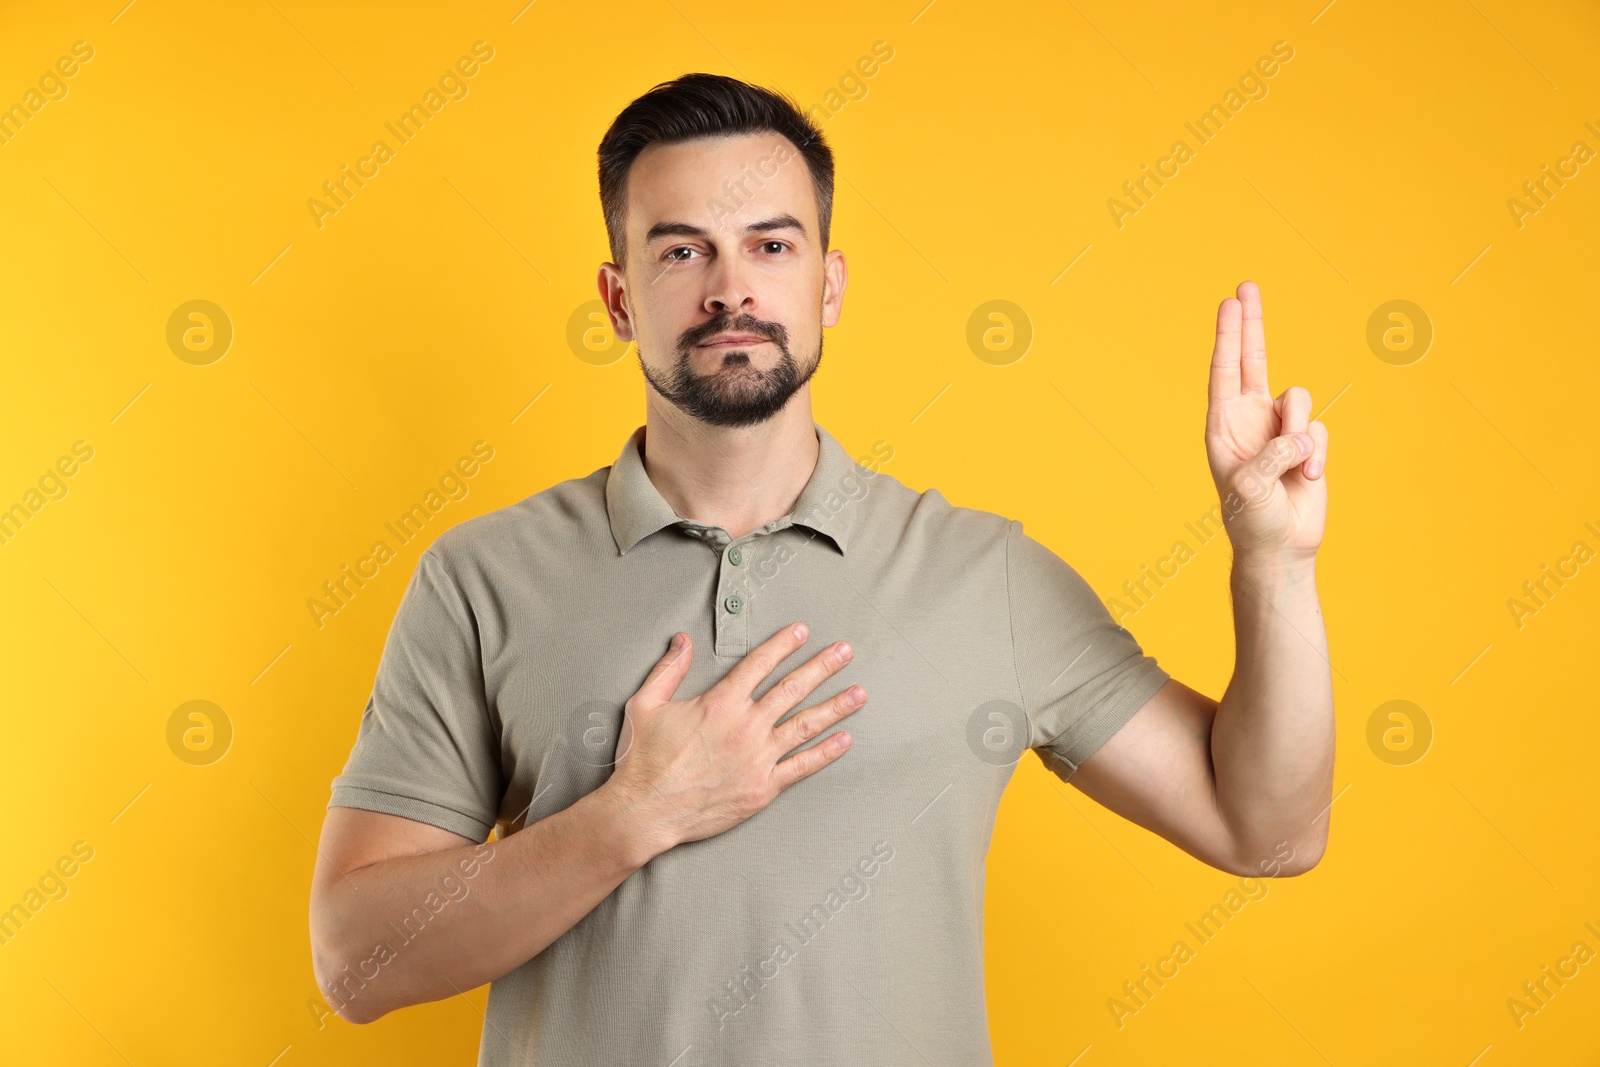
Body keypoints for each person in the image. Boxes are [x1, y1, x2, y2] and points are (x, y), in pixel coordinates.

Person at [308, 72, 1334, 1065]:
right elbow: (355, 959)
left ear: (828, 283)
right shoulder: (483, 575)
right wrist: (634, 814)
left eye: (770, 244)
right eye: (680, 252)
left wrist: (1273, 563)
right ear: (619, 299)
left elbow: (1268, 830)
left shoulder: (987, 576)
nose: (730, 288)